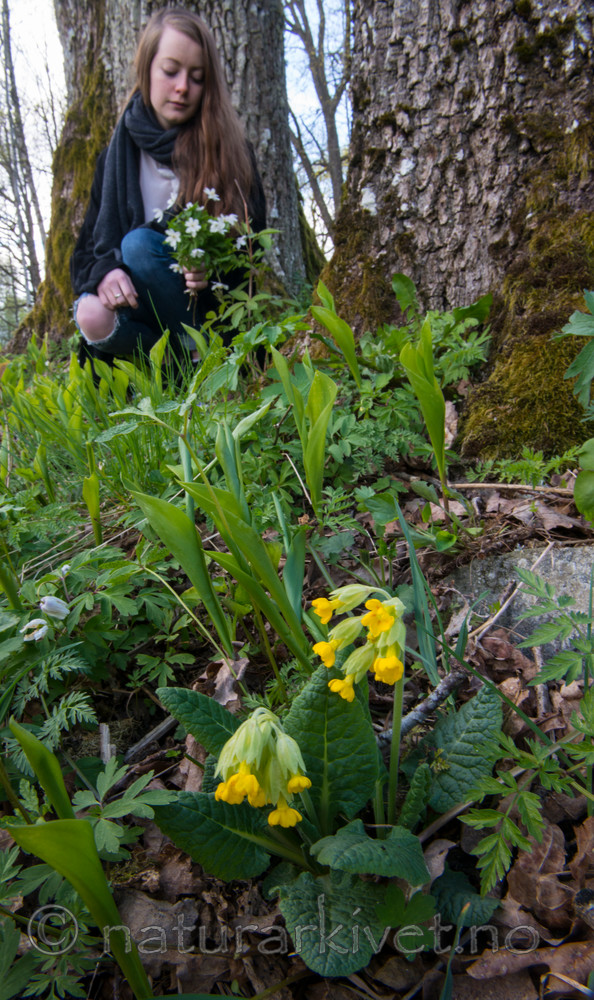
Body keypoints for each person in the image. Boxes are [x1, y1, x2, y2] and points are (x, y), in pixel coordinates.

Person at [71, 7, 266, 370]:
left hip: (205, 311)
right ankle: (172, 373)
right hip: (142, 311)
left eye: (197, 77)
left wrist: (211, 271)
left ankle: (211, 364)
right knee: (91, 312)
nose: (182, 87)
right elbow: (84, 254)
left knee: (139, 244)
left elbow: (251, 249)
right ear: (146, 68)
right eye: (171, 71)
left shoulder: (231, 154)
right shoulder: (114, 158)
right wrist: (106, 273)